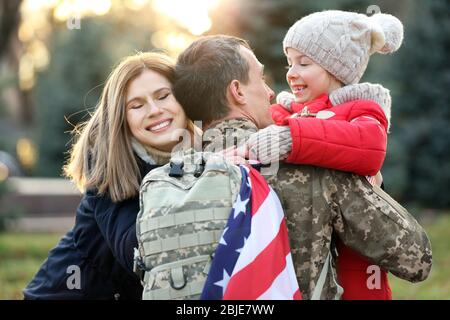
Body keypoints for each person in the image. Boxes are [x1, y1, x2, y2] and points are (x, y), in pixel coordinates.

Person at [173, 34, 432, 299]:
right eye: (261, 78)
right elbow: (416, 259)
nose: (270, 92)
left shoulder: (174, 175)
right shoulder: (310, 163)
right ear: (237, 91)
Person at [241, 10, 404, 300]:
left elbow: (369, 147)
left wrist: (292, 138)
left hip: (352, 257)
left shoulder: (361, 111)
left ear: (337, 69)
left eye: (304, 63)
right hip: (300, 252)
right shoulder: (283, 113)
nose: (291, 72)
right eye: (290, 62)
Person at [23, 52, 196, 299]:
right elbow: (136, 252)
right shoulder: (109, 168)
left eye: (163, 96)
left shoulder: (205, 152)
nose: (155, 110)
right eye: (137, 106)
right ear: (122, 118)